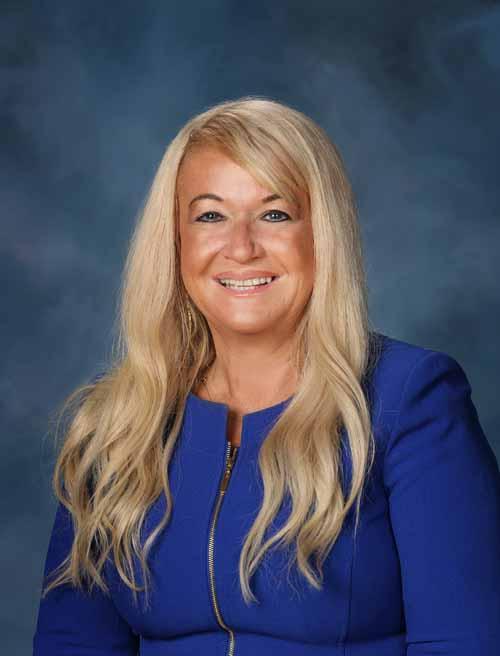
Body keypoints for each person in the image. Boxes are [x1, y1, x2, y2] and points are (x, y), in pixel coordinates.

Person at [32, 97, 500, 655]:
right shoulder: (116, 426)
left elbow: (464, 641)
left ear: (321, 235)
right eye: (210, 216)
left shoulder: (411, 399)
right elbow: (72, 644)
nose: (241, 247)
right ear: (175, 241)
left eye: (275, 214)